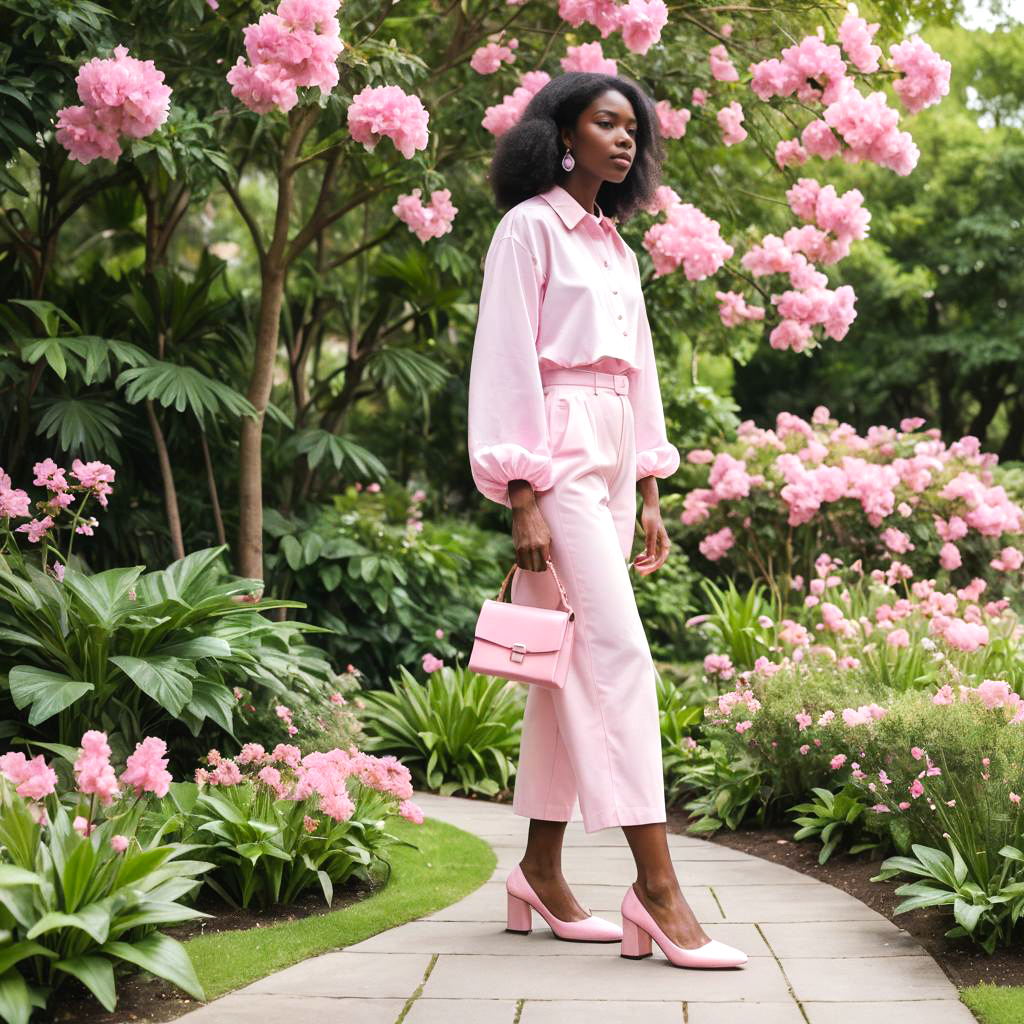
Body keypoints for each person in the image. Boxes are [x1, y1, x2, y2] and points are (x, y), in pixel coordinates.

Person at [466, 72, 748, 969]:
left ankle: (540, 872)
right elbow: (506, 356)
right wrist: (520, 494)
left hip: (616, 457)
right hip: (552, 456)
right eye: (606, 123)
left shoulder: (614, 246)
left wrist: (654, 486)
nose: (625, 140)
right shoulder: (530, 228)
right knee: (619, 656)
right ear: (562, 134)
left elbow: (640, 370)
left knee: (568, 667)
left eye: (635, 128)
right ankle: (657, 891)